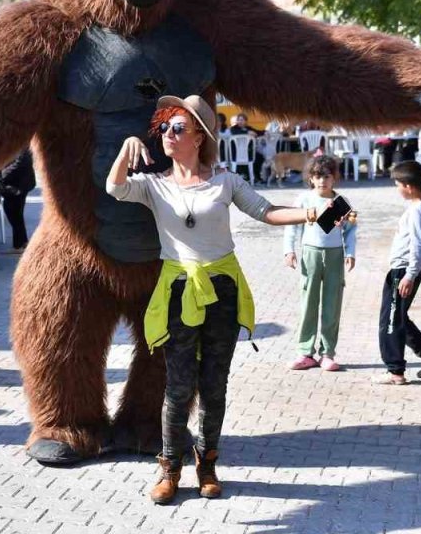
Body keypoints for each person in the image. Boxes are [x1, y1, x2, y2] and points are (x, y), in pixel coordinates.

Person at [106, 95, 319, 505]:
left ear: (200, 138)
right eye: (165, 127)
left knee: (214, 386)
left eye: (178, 128)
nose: (168, 134)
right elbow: (115, 187)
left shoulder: (226, 182)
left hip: (221, 288)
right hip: (179, 290)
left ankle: (207, 466)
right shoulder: (155, 184)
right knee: (178, 387)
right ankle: (169, 469)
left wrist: (312, 213)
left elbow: (267, 211)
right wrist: (125, 147)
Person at [282, 155, 357, 372]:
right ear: (310, 178)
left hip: (334, 255)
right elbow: (292, 226)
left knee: (332, 304)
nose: (322, 180)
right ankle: (305, 352)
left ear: (334, 178)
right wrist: (289, 250)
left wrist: (350, 252)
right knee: (308, 302)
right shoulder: (304, 200)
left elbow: (352, 230)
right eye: (317, 176)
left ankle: (328, 353)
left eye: (326, 176)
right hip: (310, 254)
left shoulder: (342, 202)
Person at [377, 160, 421, 385]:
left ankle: (395, 370)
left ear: (408, 186)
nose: (397, 189)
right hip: (404, 268)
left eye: (397, 184)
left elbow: (418, 243)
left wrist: (409, 274)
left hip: (404, 270)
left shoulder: (418, 210)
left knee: (390, 321)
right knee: (397, 316)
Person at [0, 148, 35, 255]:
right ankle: (22, 243)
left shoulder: (22, 146)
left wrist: (1, 175)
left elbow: (20, 163)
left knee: (13, 213)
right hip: (19, 184)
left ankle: (19, 245)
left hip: (17, 185)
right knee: (17, 214)